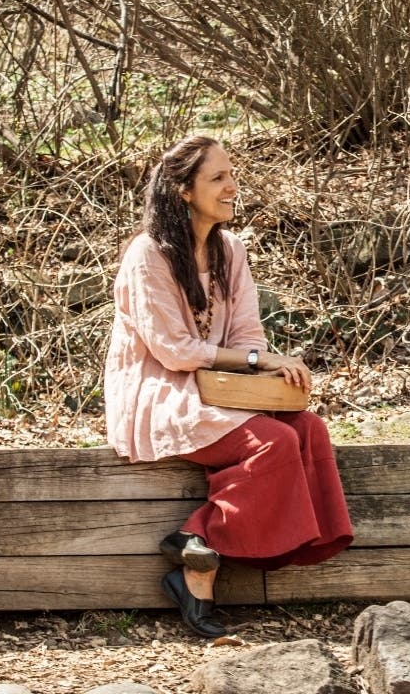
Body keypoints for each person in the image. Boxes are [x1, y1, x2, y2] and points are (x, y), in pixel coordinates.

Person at [104, 135, 354, 638]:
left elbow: (246, 335)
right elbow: (172, 349)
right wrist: (258, 359)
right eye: (218, 178)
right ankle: (195, 536)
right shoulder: (147, 255)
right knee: (274, 441)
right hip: (159, 391)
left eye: (231, 175)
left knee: (308, 428)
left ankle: (193, 565)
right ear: (182, 190)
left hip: (221, 388)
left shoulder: (230, 249)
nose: (232, 187)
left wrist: (269, 368)